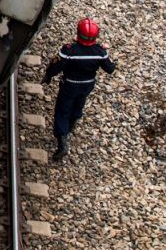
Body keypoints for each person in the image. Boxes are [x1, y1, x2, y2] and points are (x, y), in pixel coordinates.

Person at [44, 18, 116, 161]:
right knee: (79, 104)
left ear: (78, 33)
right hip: (87, 85)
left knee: (62, 111)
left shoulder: (69, 50)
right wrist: (108, 55)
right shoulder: (99, 52)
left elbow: (56, 66)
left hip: (69, 85)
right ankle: (71, 125)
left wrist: (48, 75)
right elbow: (110, 69)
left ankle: (62, 142)